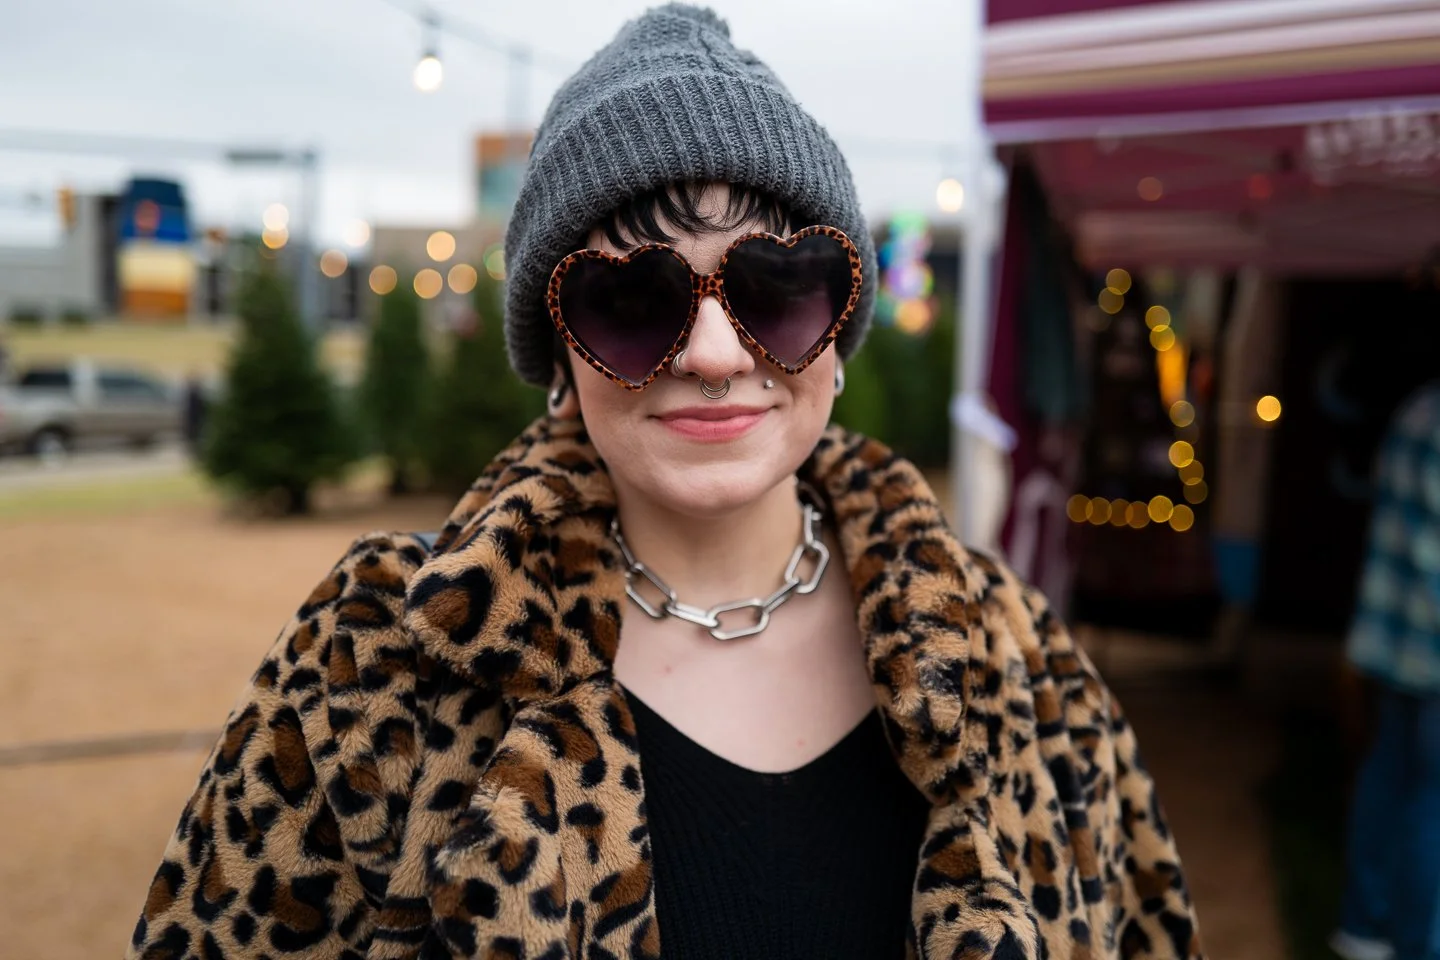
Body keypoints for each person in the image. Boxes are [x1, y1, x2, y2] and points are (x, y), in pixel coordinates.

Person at [126, 6, 1202, 958]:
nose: (716, 353)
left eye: (777, 288)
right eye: (631, 300)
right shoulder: (380, 662)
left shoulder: (1007, 653)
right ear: (557, 352)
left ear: (839, 329)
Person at [1332, 379, 1440, 960]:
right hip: (1429, 650)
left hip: (1393, 642)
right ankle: (1416, 943)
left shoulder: (1417, 406)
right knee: (1428, 803)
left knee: (1391, 777)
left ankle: (1365, 925)